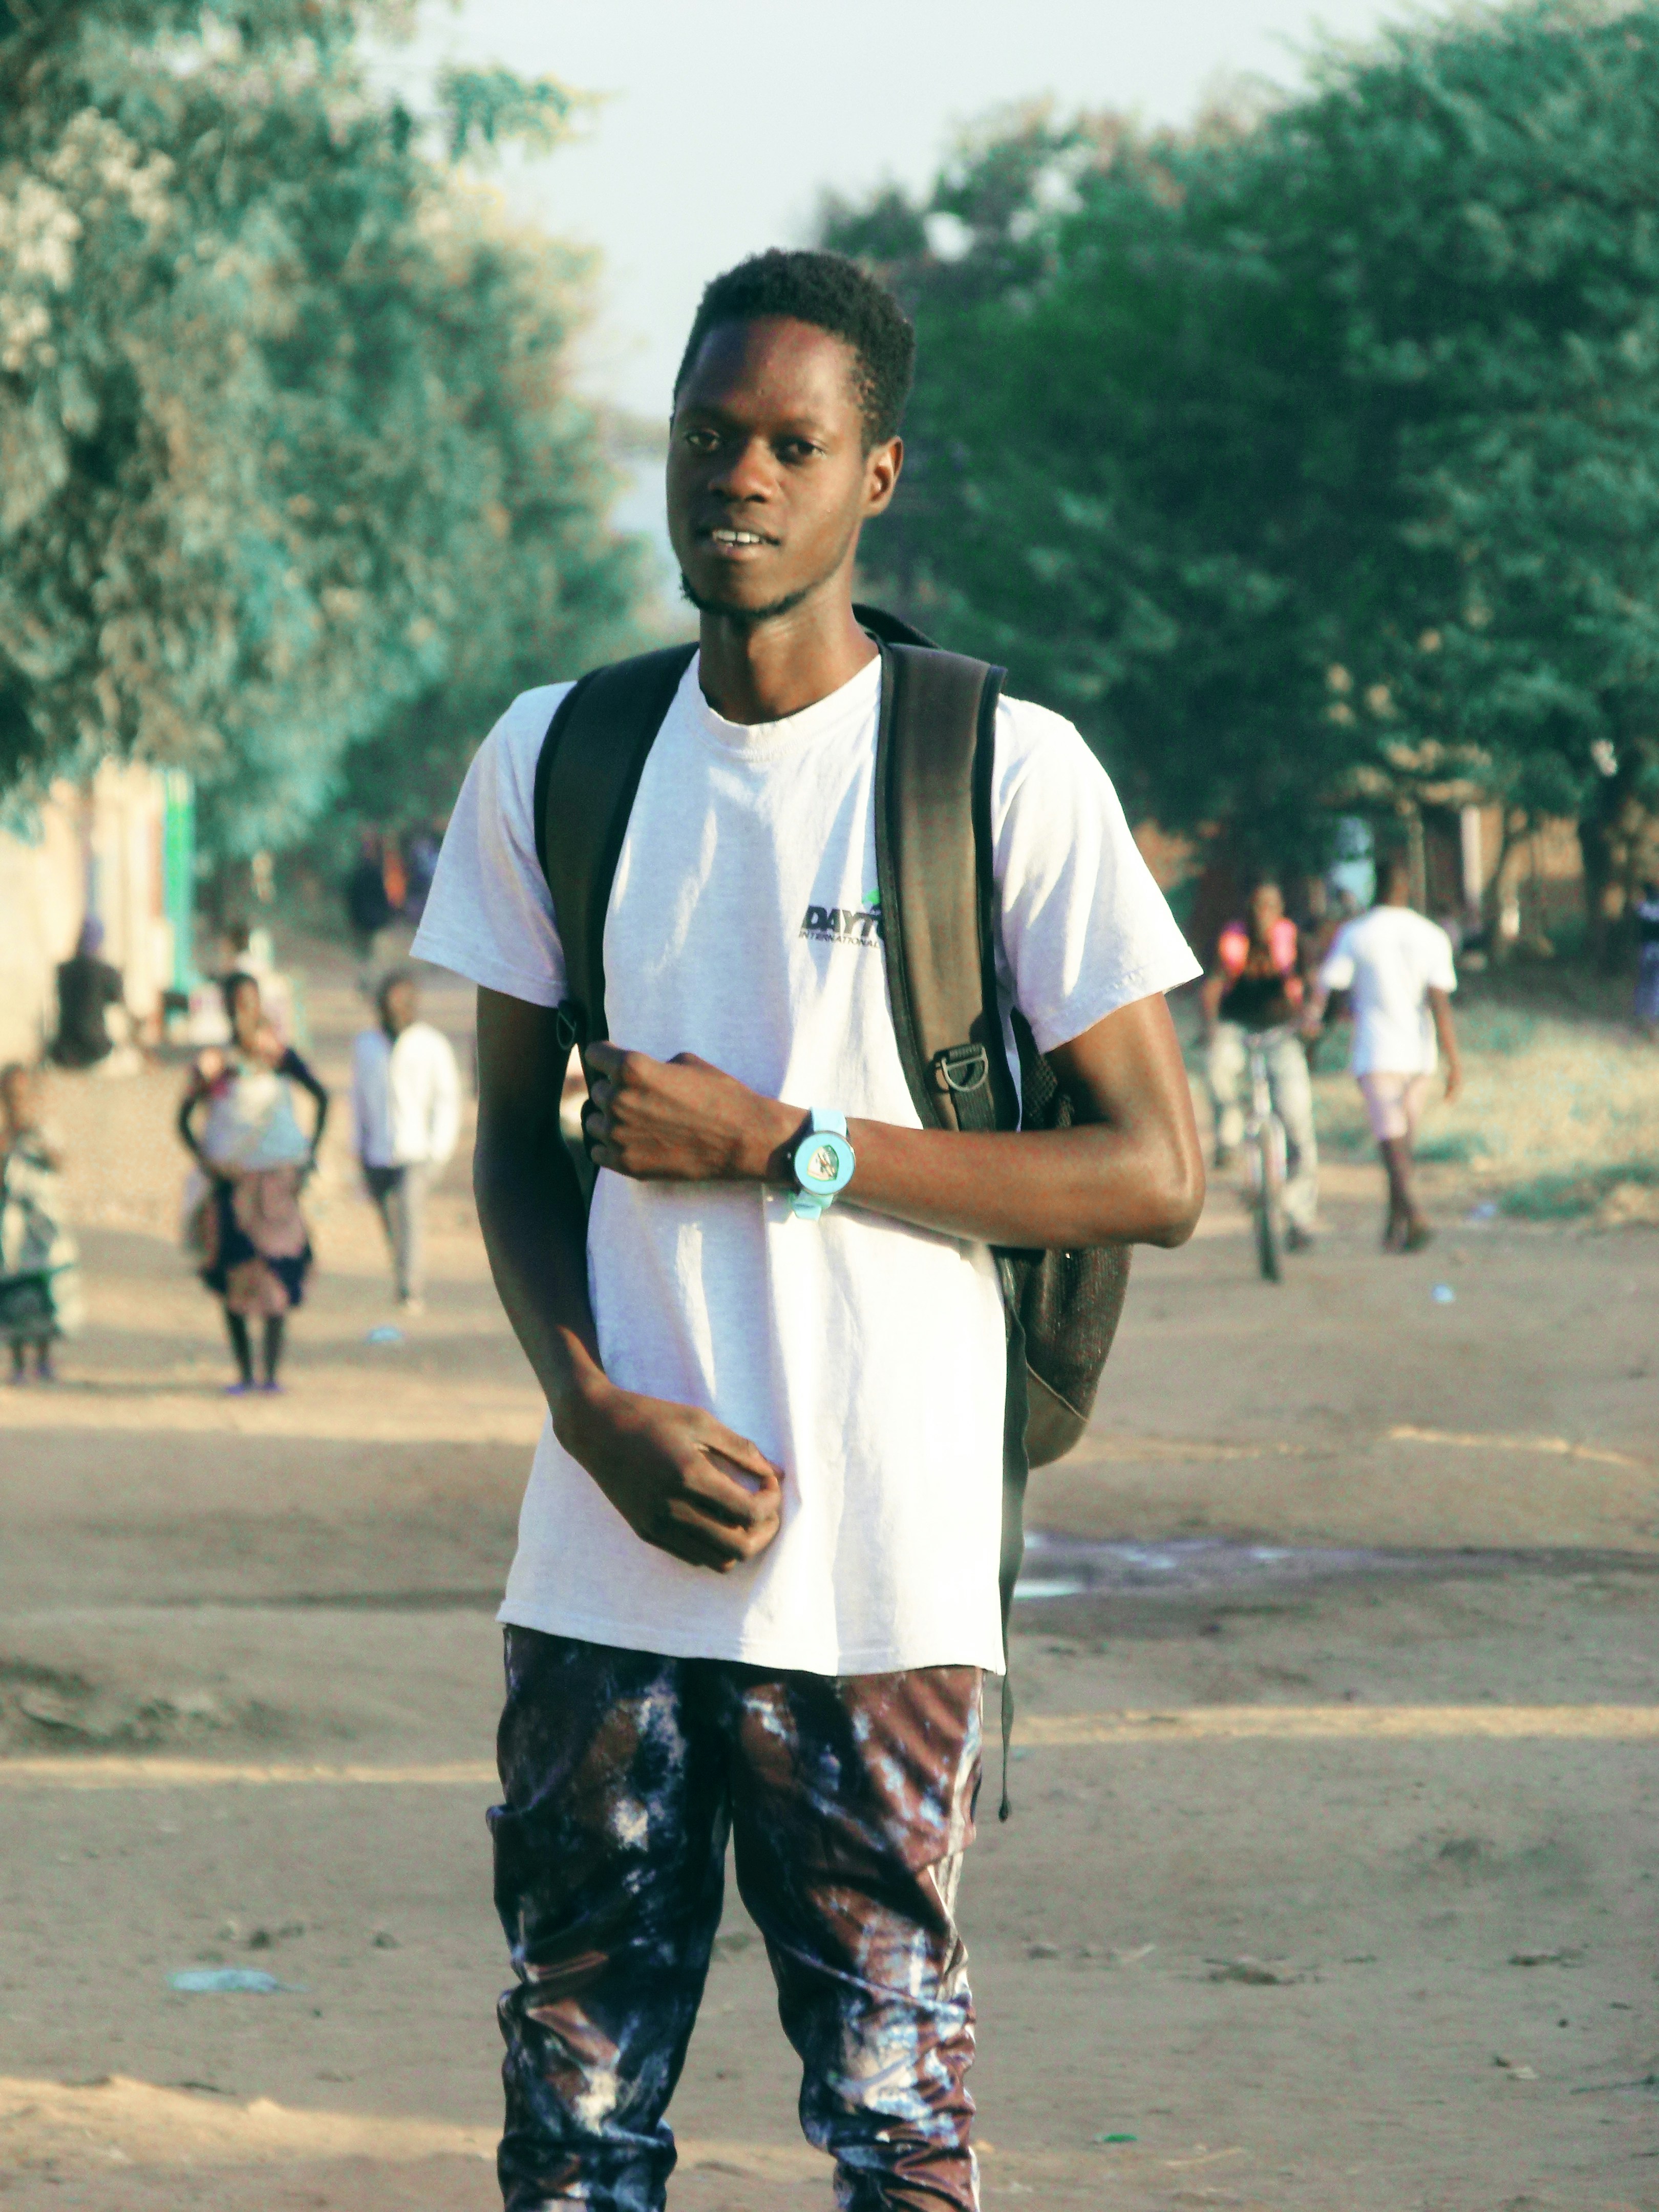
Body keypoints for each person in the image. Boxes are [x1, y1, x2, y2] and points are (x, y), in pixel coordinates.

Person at [413, 248, 1205, 2212]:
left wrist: (791, 1145)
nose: (737, 477)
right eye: (707, 433)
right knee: (574, 2120)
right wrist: (589, 1407)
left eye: (791, 441)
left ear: (877, 476)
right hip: (603, 1571)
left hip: (879, 1578)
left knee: (889, 2119)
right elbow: (511, 1148)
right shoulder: (557, 756)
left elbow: (1151, 1166)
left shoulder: (995, 769)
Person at [177, 973, 328, 1392]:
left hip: (279, 1184)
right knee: (233, 1274)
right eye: (235, 1002)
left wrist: (308, 1157)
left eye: (249, 1001)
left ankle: (271, 1374)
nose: (243, 1010)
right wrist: (209, 1165)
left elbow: (322, 1097)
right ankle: (245, 1373)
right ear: (225, 1007)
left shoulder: (280, 1057)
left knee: (279, 1271)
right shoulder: (213, 1065)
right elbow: (183, 1121)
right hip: (231, 1186)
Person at [1308, 854, 1462, 1251]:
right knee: (1402, 1141)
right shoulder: (1430, 935)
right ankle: (1398, 1227)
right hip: (1419, 1053)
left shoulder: (1356, 934)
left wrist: (1315, 1036)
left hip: (1376, 1051)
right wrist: (1454, 1062)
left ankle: (1413, 1215)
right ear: (1408, 887)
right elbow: (1440, 1004)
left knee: (1391, 1142)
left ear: (1375, 884)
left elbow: (1332, 987)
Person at [1200, 879, 1318, 1248]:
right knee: (1218, 1065)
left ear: (1280, 910)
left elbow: (1313, 986)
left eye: (1269, 906)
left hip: (1281, 1032)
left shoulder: (1294, 941)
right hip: (1239, 1027)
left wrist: (1311, 1021)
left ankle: (1299, 1215)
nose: (1262, 914)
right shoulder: (1234, 940)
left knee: (1297, 1120)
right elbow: (1214, 985)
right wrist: (1211, 1028)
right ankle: (1229, 1133)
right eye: (1256, 907)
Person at [352, 968, 462, 1313]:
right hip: (377, 1151)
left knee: (410, 1217)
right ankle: (401, 1274)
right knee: (389, 1217)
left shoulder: (431, 1045)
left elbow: (447, 1100)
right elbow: (359, 1100)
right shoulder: (366, 1046)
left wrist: (438, 1150)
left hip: (417, 1152)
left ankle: (410, 1289)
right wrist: (359, 1148)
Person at [0, 1064, 83, 1383]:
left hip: (42, 1222)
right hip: (11, 1223)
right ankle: (19, 1361)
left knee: (46, 1286)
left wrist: (33, 1137)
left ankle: (45, 1359)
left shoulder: (43, 1127)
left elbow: (59, 1163)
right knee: (13, 1291)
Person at [50, 918, 127, 1071]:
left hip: (64, 1050)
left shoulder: (63, 971)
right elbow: (119, 1001)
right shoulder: (106, 973)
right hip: (96, 1049)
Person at [345, 834, 394, 984]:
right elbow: (382, 897)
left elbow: (352, 898)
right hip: (372, 920)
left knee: (366, 953)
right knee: (372, 953)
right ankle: (371, 981)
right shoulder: (374, 872)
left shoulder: (358, 873)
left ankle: (368, 981)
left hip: (363, 920)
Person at [1634, 878, 1659, 1040]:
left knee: (1644, 982)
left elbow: (1638, 932)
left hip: (1645, 949)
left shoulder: (1641, 908)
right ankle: (1653, 1016)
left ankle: (1639, 1012)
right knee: (1656, 985)